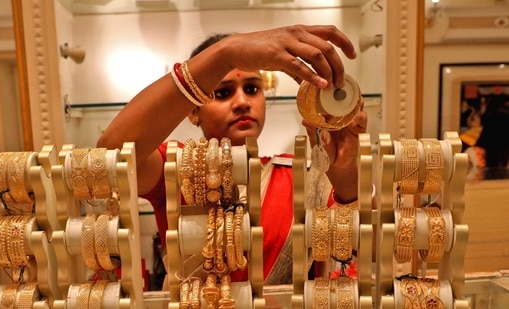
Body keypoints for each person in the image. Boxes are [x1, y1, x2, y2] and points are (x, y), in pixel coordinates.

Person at [97, 25, 367, 286]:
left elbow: (371, 247)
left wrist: (346, 178)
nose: (242, 102)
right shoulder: (178, 170)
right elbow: (109, 158)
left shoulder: (299, 175)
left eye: (252, 89)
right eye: (223, 92)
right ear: (192, 111)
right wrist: (227, 52)